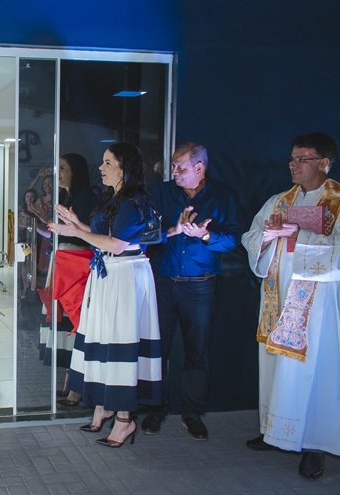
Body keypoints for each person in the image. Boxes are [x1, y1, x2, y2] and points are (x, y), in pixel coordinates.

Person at [241, 133, 340, 480]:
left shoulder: (337, 202)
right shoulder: (279, 201)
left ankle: (313, 444)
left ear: (324, 163)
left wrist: (299, 236)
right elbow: (250, 236)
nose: (293, 165)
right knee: (275, 365)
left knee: (312, 370)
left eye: (303, 159)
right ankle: (274, 430)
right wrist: (268, 237)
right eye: (292, 159)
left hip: (318, 306)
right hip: (278, 296)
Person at [49, 142, 161, 447]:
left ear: (125, 168)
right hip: (109, 275)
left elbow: (117, 244)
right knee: (104, 340)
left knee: (120, 342)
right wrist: (76, 224)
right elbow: (105, 236)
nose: (101, 168)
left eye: (108, 162)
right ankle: (105, 405)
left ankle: (124, 419)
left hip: (123, 276)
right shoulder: (116, 198)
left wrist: (76, 232)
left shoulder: (133, 202)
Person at [144, 142, 241, 441]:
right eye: (173, 166)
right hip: (162, 282)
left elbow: (233, 241)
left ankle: (192, 413)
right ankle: (155, 409)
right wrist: (171, 231)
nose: (173, 171)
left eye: (180, 167)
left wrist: (206, 235)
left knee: (197, 352)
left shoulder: (223, 195)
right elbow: (144, 233)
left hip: (200, 286)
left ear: (199, 167)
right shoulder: (160, 193)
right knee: (156, 349)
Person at [46, 153, 99, 406]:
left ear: (75, 171)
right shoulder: (66, 197)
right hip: (64, 261)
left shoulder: (86, 197)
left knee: (77, 324)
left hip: (76, 264)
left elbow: (86, 233)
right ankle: (70, 383)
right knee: (68, 324)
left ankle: (77, 387)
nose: (59, 173)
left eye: (64, 168)